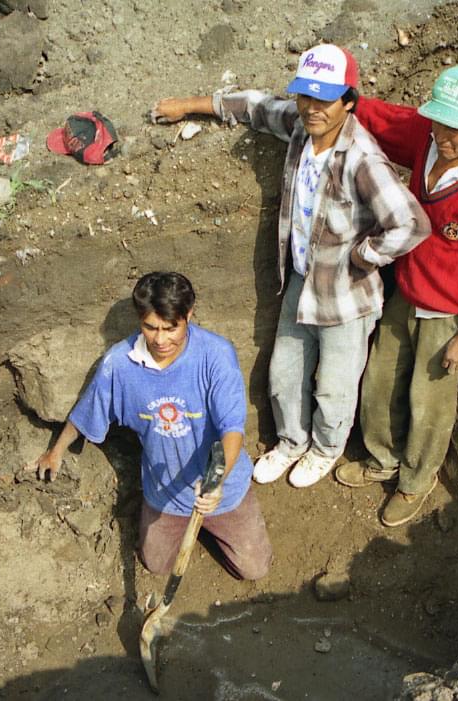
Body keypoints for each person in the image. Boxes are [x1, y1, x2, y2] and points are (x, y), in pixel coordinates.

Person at [151, 44, 430, 489]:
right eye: (306, 97)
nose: (312, 108)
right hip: (304, 281)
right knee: (283, 374)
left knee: (334, 388)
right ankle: (291, 441)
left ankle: (325, 449)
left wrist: (362, 256)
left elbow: (412, 223)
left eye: (324, 100)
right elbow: (258, 107)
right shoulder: (303, 128)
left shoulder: (361, 159)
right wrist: (191, 106)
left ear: (349, 101)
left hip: (346, 298)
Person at [335, 65, 458, 527]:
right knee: (380, 381)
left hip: (449, 312)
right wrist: (349, 101)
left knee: (430, 400)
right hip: (408, 288)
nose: (442, 136)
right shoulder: (429, 137)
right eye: (438, 122)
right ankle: (382, 457)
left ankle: (415, 481)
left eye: (454, 129)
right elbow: (391, 123)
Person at [34, 271, 272, 580]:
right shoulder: (120, 364)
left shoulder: (216, 355)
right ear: (139, 320)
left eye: (170, 328)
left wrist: (216, 481)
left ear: (188, 315)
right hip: (166, 494)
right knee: (157, 564)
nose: (160, 340)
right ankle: (183, 526)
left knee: (253, 569)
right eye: (150, 327)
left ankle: (218, 524)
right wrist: (56, 451)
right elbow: (87, 411)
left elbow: (232, 429)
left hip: (221, 489)